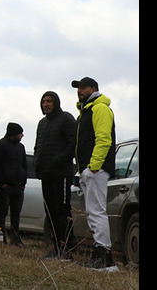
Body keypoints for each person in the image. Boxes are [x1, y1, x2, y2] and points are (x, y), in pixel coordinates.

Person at [72, 77, 118, 271]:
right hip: (89, 169)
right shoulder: (86, 111)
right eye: (78, 88)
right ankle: (104, 260)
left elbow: (104, 139)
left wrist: (93, 167)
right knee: (94, 212)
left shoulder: (99, 108)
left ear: (94, 88)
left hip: (95, 169)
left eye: (83, 87)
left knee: (97, 212)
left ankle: (103, 259)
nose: (79, 91)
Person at [34, 90, 77, 260]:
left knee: (62, 211)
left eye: (49, 101)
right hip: (46, 174)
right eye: (44, 101)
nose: (46, 104)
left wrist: (59, 160)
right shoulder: (42, 123)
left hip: (61, 174)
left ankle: (66, 248)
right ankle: (56, 247)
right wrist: (37, 164)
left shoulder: (66, 119)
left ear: (56, 102)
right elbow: (38, 146)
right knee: (50, 211)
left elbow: (73, 144)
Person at [0, 122, 27, 247]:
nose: (22, 135)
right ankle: (1, 238)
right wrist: (1, 183)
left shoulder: (21, 147)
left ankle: (16, 239)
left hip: (18, 186)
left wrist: (23, 183)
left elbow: (24, 165)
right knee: (2, 212)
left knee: (16, 213)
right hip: (5, 186)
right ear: (13, 134)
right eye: (20, 133)